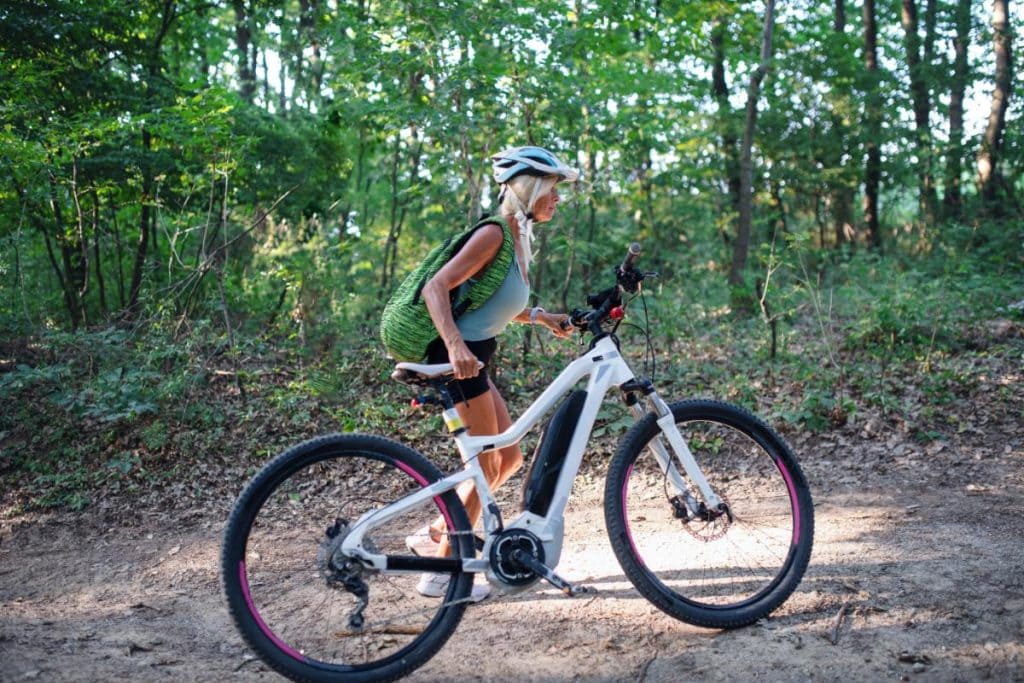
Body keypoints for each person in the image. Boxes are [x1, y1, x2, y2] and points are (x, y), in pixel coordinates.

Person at [407, 146, 579, 600]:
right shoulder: (495, 234)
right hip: (458, 359)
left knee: (508, 459)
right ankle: (442, 570)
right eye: (552, 190)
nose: (557, 199)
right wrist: (455, 345)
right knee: (485, 462)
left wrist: (540, 317)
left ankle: (437, 533)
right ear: (529, 189)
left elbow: (495, 303)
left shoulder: (517, 239)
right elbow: (435, 287)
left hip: (475, 357)